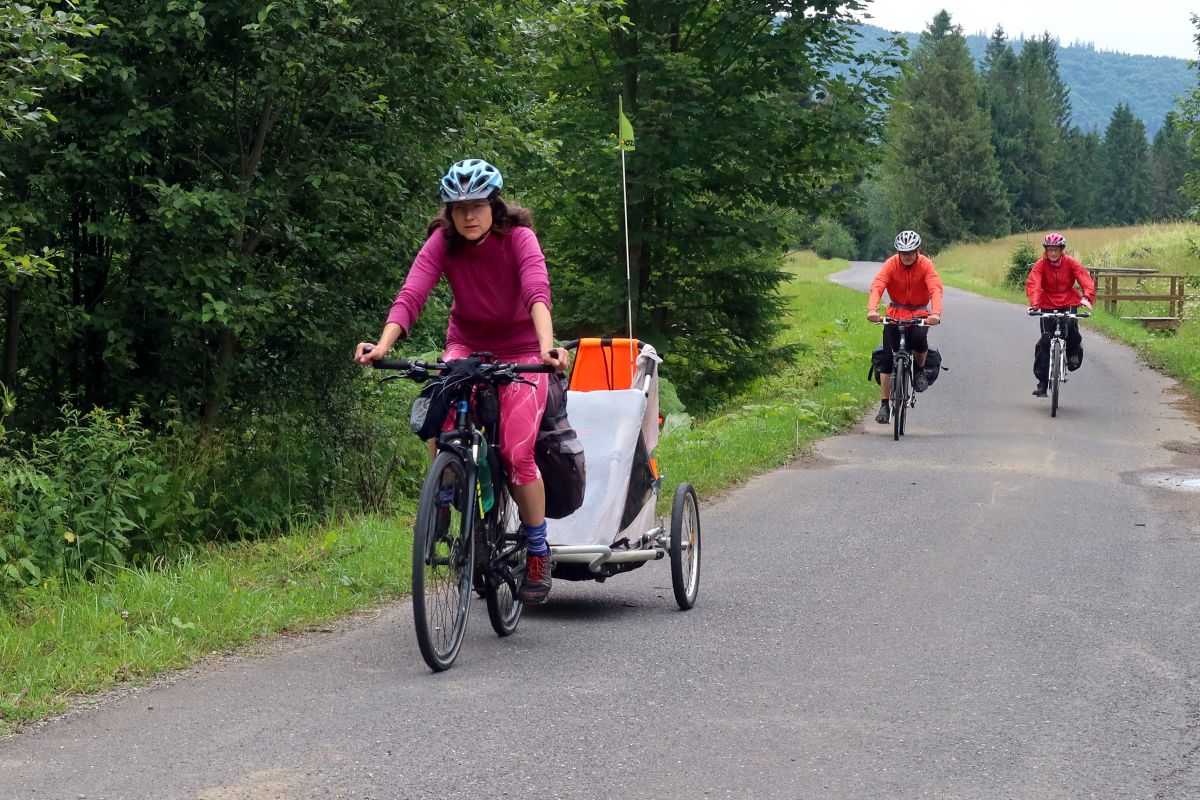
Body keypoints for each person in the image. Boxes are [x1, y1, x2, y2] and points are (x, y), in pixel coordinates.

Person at [355, 158, 569, 603]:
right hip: (466, 346)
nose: (469, 216)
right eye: (458, 208)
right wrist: (383, 346)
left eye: (477, 205)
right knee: (441, 417)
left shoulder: (519, 239)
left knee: (514, 450)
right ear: (449, 214)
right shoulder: (443, 243)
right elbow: (412, 293)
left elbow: (536, 291)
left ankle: (536, 547)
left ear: (494, 205)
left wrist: (547, 348)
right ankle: (444, 494)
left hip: (524, 351)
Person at [867, 230, 944, 425]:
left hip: (918, 313)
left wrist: (935, 314)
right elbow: (878, 286)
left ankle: (918, 371)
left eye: (910, 252)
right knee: (887, 357)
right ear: (898, 252)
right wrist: (872, 310)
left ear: (918, 250)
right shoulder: (891, 264)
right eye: (903, 252)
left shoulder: (925, 264)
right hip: (895, 312)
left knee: (919, 338)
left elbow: (935, 288)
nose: (907, 256)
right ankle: (884, 405)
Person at [1025, 232, 1095, 397]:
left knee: (1071, 327)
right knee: (1045, 340)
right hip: (1046, 302)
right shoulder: (1040, 265)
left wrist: (1086, 297)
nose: (1053, 253)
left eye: (1056, 249)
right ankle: (1042, 383)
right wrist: (1035, 304)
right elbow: (1034, 284)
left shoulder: (1070, 263)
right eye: (1050, 250)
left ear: (1061, 249)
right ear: (1046, 250)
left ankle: (1072, 353)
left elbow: (1085, 279)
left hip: (1068, 300)